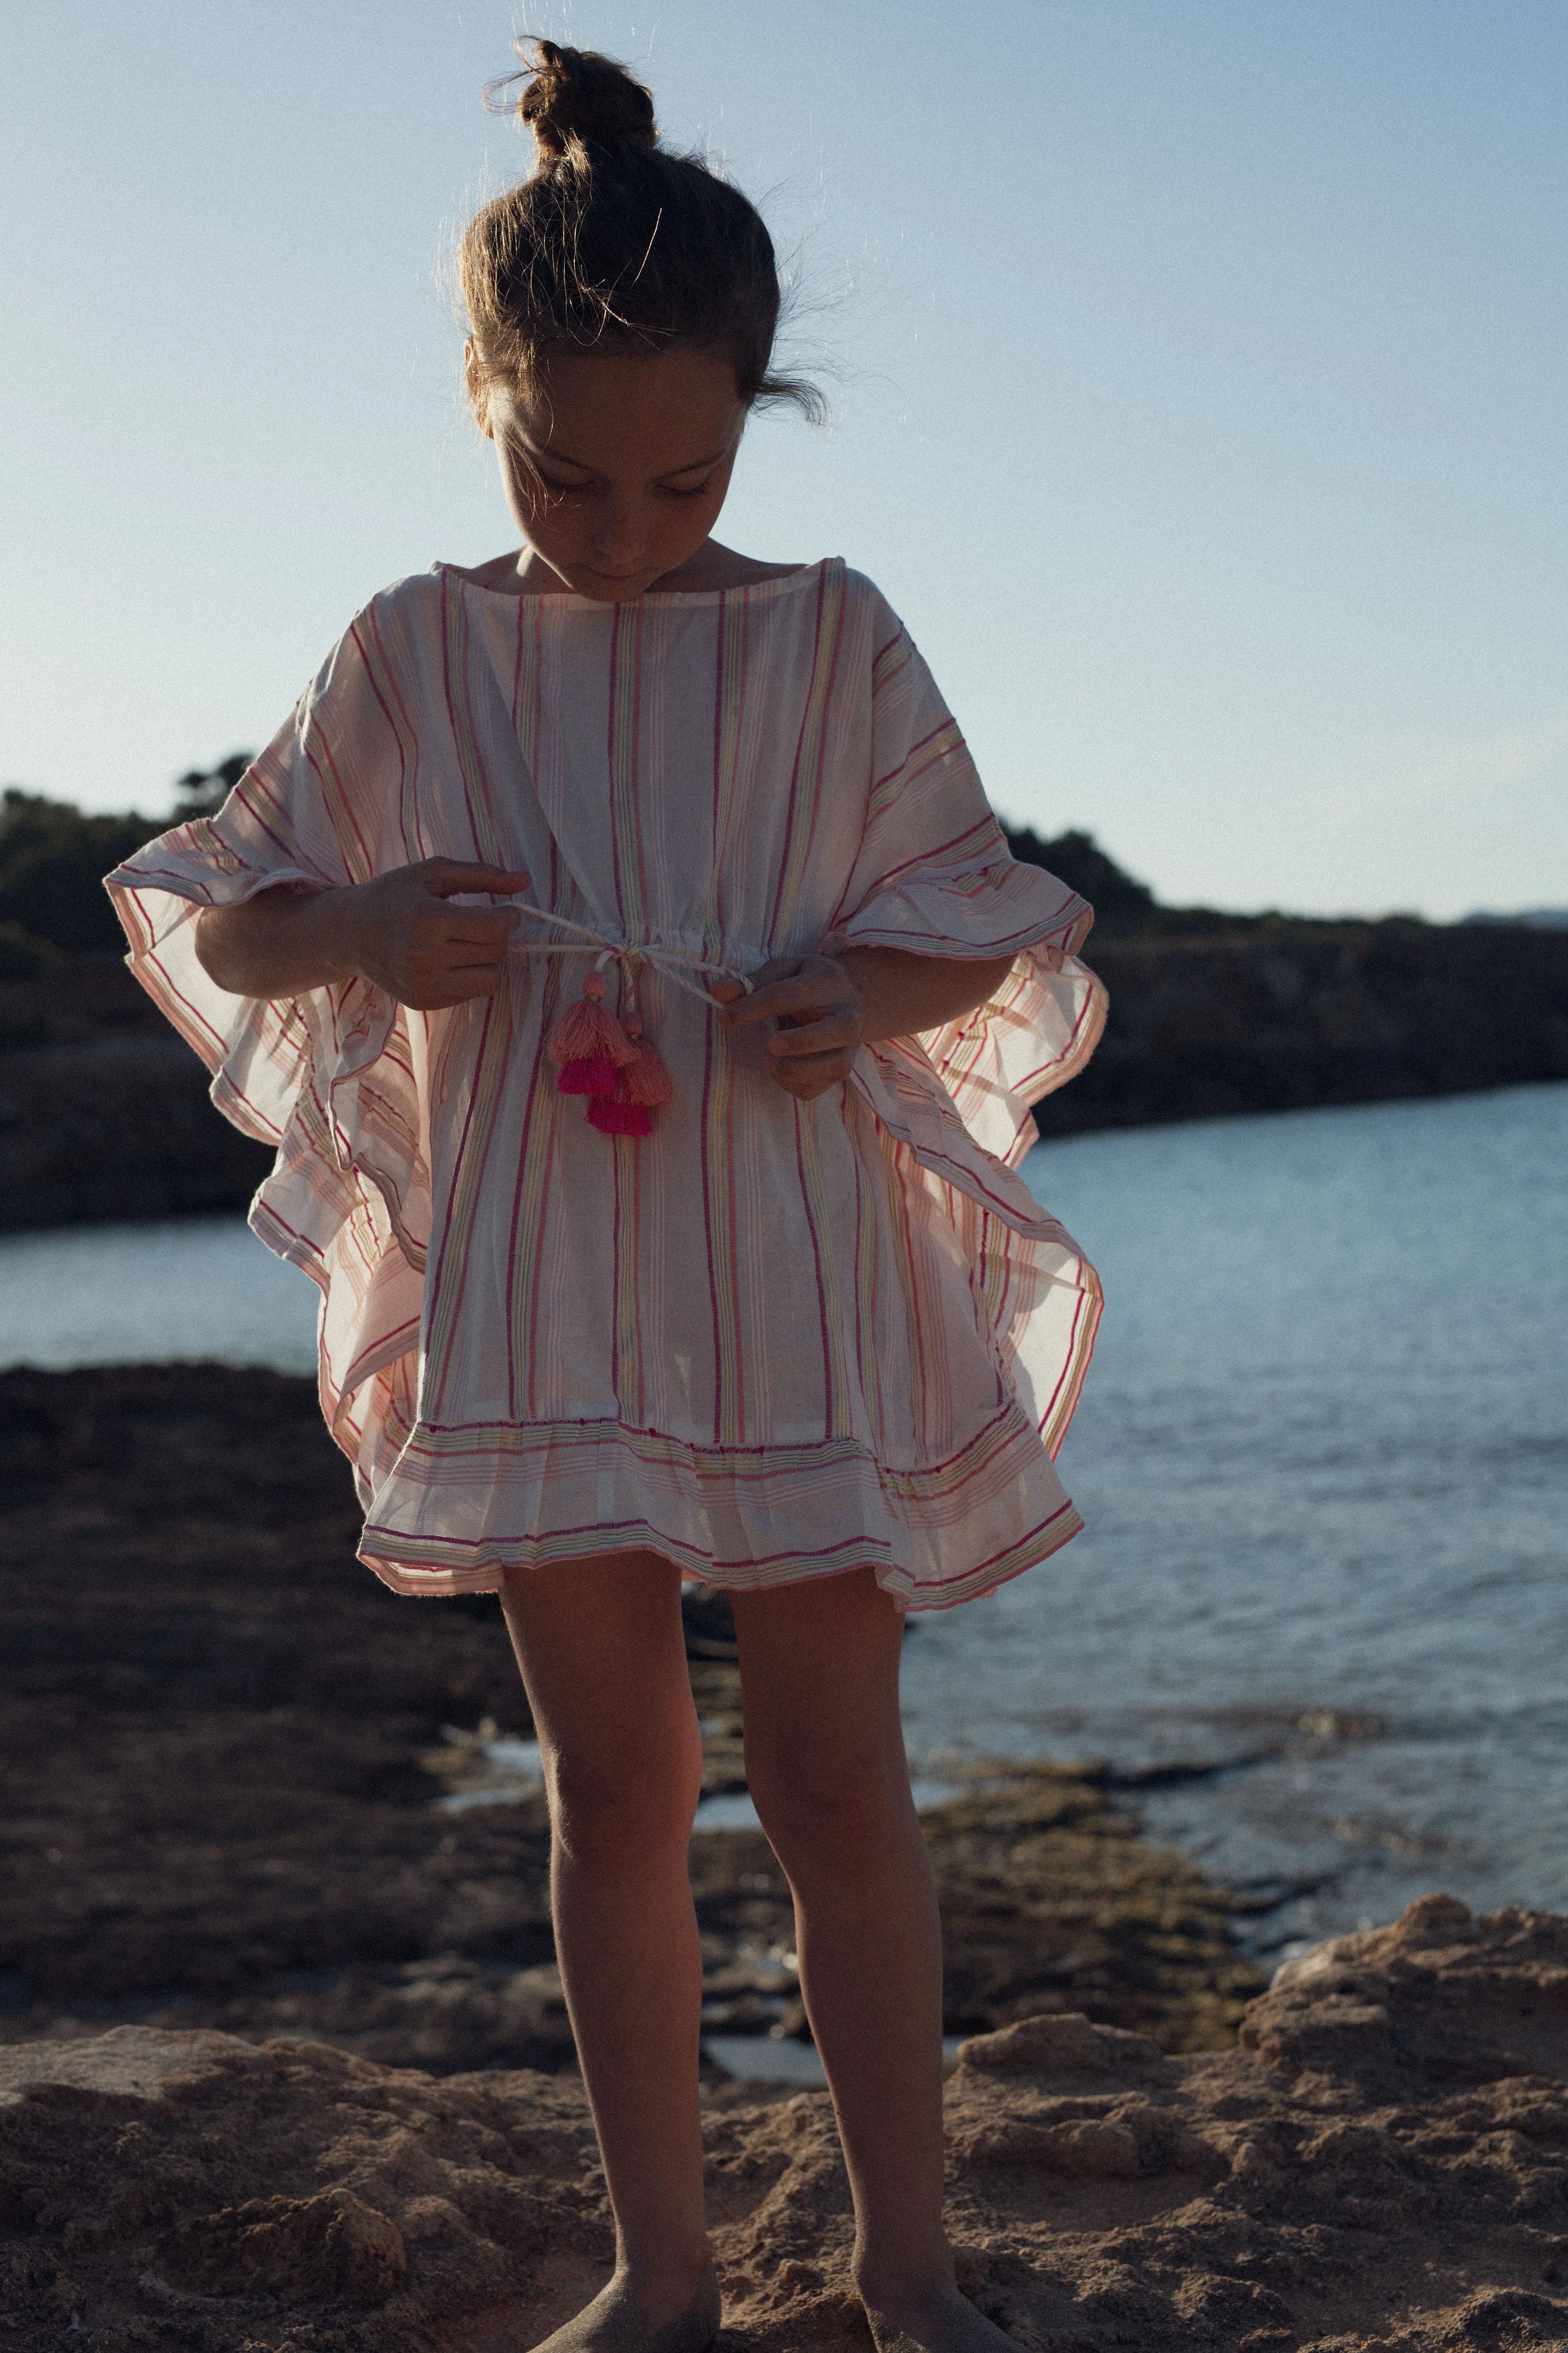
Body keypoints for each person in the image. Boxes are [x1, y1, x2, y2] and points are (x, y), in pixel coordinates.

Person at [106, 40, 1106, 2353]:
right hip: (548, 1291)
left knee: (842, 1781)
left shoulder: (833, 635)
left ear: (761, 418)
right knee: (618, 1787)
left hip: (801, 1288)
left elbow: (999, 917)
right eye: (570, 472)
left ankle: (911, 2267)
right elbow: (221, 911)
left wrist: (858, 984)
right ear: (483, 392)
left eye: (682, 476)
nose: (625, 529)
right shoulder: (419, 647)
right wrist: (357, 935)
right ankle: (660, 2270)